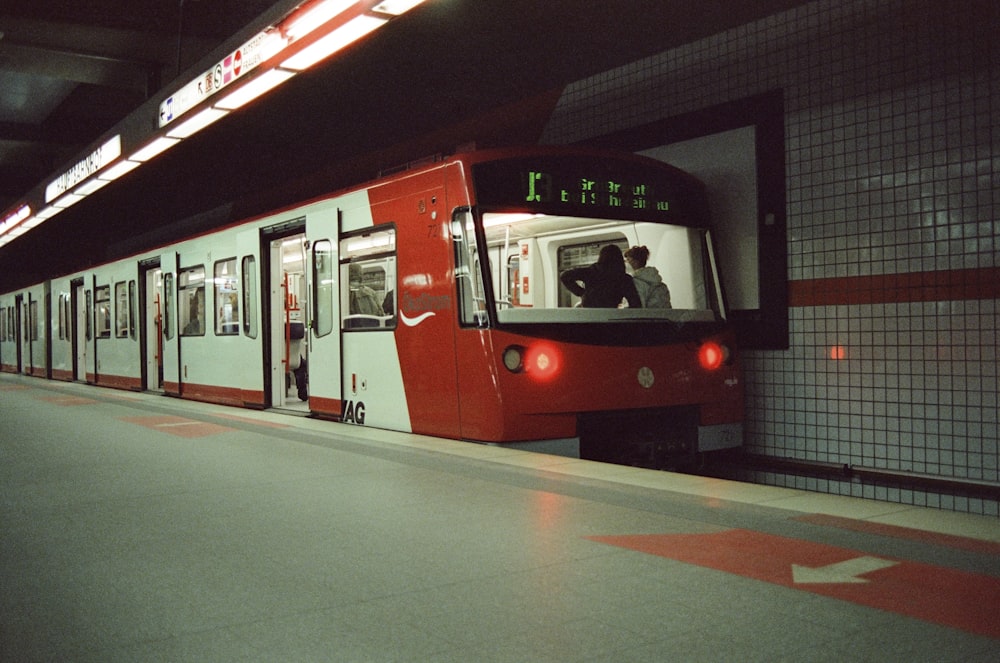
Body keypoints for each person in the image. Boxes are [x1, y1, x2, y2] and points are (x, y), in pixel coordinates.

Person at [560, 244, 640, 308]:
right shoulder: (624, 279)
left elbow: (565, 276)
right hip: (610, 315)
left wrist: (581, 293)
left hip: (589, 315)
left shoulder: (591, 272)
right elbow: (635, 303)